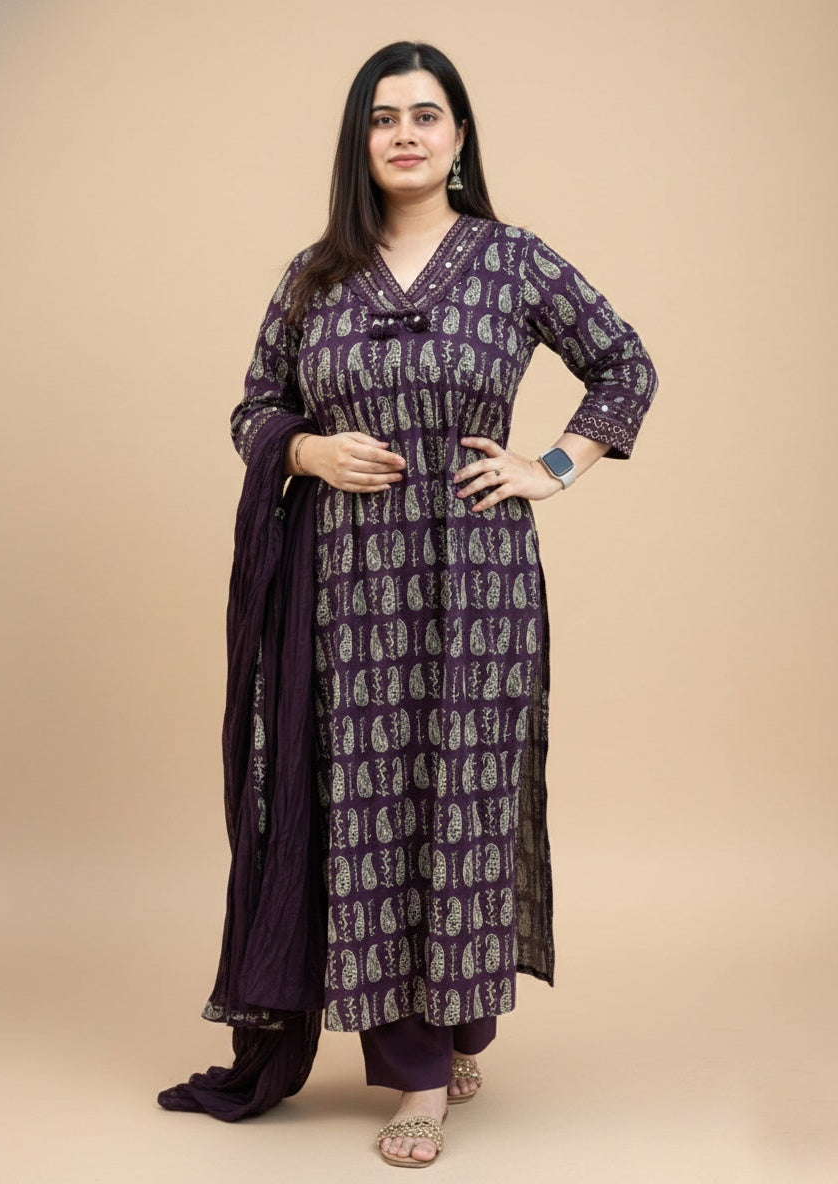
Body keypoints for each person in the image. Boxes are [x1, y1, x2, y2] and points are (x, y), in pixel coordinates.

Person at [158, 40, 657, 1168]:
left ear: (459, 135)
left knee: (465, 809)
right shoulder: (316, 275)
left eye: (426, 115)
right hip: (348, 595)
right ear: (362, 139)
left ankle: (461, 1022)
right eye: (384, 118)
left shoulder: (512, 260)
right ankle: (419, 1074)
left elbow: (625, 365)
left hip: (479, 583)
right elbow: (253, 411)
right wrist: (308, 451)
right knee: (373, 815)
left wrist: (552, 466)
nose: (405, 135)